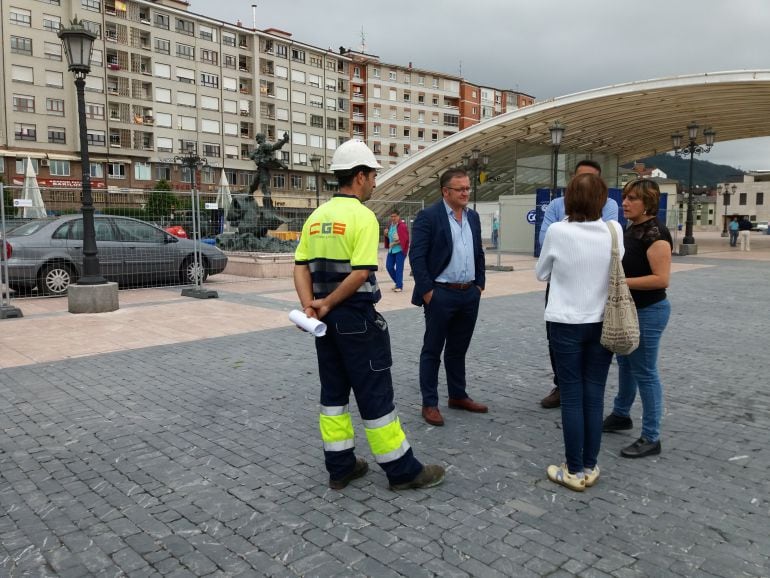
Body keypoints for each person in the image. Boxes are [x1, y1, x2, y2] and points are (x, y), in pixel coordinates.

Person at [293, 139, 444, 491]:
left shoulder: (316, 217)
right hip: (356, 318)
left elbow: (299, 267)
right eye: (373, 174)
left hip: (324, 323)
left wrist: (310, 306)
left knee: (333, 395)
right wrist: (328, 303)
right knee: (375, 394)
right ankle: (402, 471)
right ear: (359, 176)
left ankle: (340, 466)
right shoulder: (362, 217)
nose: (376, 182)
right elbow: (361, 272)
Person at [535, 173, 622, 491]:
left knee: (571, 395)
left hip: (565, 321)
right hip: (602, 321)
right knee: (594, 394)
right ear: (603, 200)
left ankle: (572, 470)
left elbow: (541, 271)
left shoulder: (558, 231)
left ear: (569, 200)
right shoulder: (614, 230)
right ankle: (589, 465)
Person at [409, 168, 488, 427]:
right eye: (461, 189)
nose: (466, 192)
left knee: (458, 349)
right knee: (432, 350)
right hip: (441, 294)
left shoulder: (473, 217)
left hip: (469, 294)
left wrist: (479, 285)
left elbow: (478, 252)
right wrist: (429, 293)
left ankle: (457, 395)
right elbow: (417, 257)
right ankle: (430, 403)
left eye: (468, 188)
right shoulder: (428, 216)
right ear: (446, 192)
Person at [538, 160, 619, 410]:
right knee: (555, 341)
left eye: (592, 180)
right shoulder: (555, 206)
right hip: (562, 288)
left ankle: (572, 387)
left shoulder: (610, 208)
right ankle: (561, 383)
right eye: (582, 179)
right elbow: (543, 238)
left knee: (581, 391)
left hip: (597, 294)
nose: (586, 185)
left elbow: (543, 267)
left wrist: (569, 241)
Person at [602, 179, 672, 459]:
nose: (625, 203)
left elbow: (661, 279)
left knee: (645, 372)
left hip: (649, 312)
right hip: (633, 309)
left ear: (648, 203)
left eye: (632, 199)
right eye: (625, 197)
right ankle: (621, 414)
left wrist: (621, 282)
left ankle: (652, 436)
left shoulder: (656, 235)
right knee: (626, 365)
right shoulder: (635, 229)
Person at [249, 132, 290, 207]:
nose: (256, 139)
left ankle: (268, 206)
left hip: (264, 170)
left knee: (264, 187)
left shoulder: (265, 145)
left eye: (257, 137)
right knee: (253, 185)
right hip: (260, 170)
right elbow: (252, 156)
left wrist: (284, 140)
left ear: (260, 138)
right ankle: (249, 197)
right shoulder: (259, 148)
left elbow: (274, 147)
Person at [383, 209, 409, 292]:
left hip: (400, 251)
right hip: (391, 251)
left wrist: (394, 243)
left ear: (398, 216)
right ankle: (398, 283)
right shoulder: (390, 225)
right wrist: (386, 234)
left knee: (399, 268)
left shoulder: (402, 226)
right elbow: (389, 237)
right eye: (392, 216)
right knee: (389, 267)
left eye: (395, 216)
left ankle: (399, 286)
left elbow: (404, 239)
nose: (393, 218)